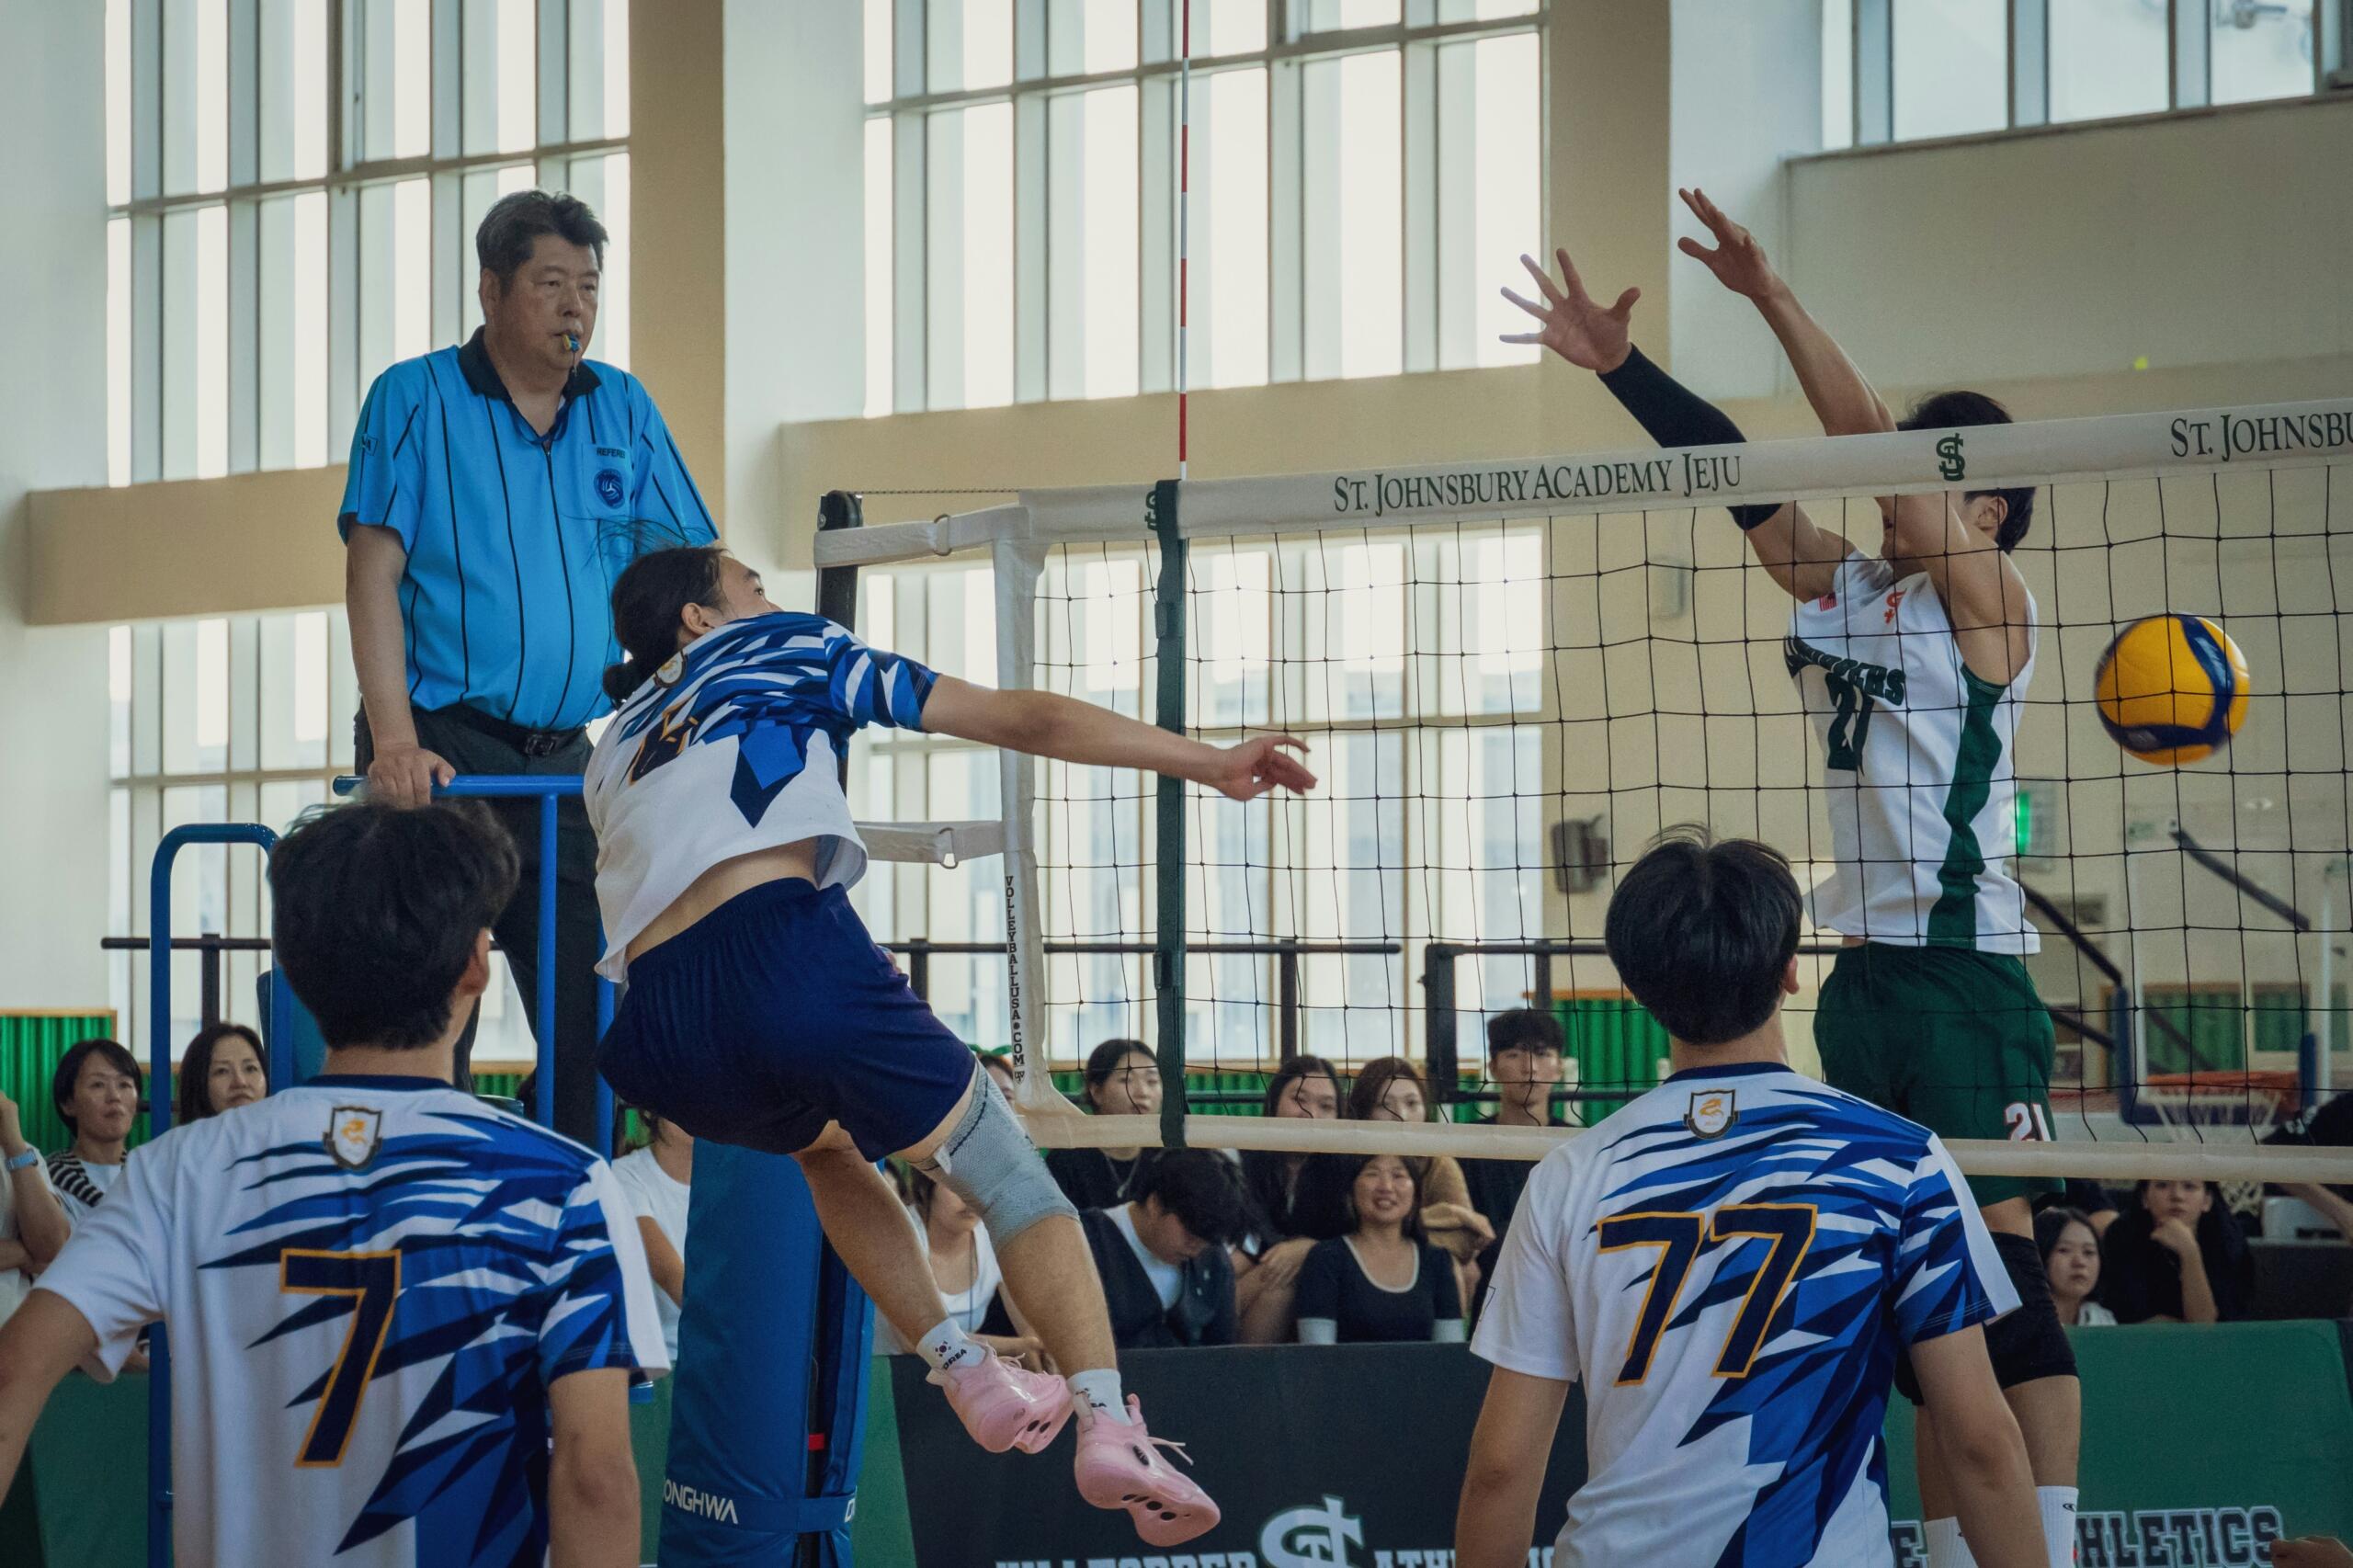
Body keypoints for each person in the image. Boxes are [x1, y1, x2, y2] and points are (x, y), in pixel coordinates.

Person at [1505, 189, 2079, 1568]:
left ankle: (2044, 1542)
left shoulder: (1993, 606)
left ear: (1985, 504)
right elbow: (1742, 476)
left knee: (1991, 1268)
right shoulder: (1850, 593)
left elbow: (1884, 471)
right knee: (1911, 1296)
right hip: (1865, 976)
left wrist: (1771, 296)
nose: (1907, 490)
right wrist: (1622, 370)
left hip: (1964, 971)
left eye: (1940, 474)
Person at [585, 545, 1313, 1547]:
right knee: (1015, 1180)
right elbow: (1026, 717)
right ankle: (1108, 1420)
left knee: (826, 1146)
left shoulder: (611, 739)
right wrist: (1207, 759)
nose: (773, 596)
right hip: (781, 953)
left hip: (657, 1030)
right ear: (702, 620)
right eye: (752, 582)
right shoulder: (786, 644)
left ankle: (960, 1364)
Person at [0, 800, 665, 1568]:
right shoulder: (565, 1185)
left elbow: (17, 1367)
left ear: (290, 968)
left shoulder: (177, 1172)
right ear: (477, 967)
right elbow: (597, 1479)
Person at [1456, 830, 2043, 1568]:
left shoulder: (1572, 1174)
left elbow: (1502, 1468)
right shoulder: (1901, 1159)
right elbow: (1981, 1441)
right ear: (1792, 971)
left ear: (1637, 991)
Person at [340, 187, 715, 1143]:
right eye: (550, 284)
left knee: (597, 1010)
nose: (574, 307)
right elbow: (372, 571)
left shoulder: (620, 407)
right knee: (428, 1011)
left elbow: (680, 580)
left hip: (565, 764)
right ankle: (427, 1187)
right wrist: (392, 740)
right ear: (493, 289)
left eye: (588, 287)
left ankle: (566, 1204)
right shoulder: (414, 397)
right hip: (440, 748)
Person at [1343, 1057, 1492, 1307]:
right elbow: (1340, 1231)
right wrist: (1447, 1214)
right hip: (1354, 1263)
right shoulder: (1343, 1160)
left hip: (1421, 1269)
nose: (1401, 1115)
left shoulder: (1438, 1163)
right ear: (1364, 1111)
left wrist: (1397, 1235)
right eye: (1384, 1105)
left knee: (1461, 1268)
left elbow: (1468, 1238)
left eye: (1412, 1103)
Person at [1455, 1010, 1571, 1311]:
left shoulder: (1578, 1148)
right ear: (1493, 1067)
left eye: (1542, 1054)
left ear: (1559, 1067)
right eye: (1514, 1054)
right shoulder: (1464, 1148)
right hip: (1488, 1302)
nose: (1529, 1067)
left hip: (1563, 1298)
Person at [1077, 1150, 1245, 1350]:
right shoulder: (1087, 1241)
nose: (1195, 1250)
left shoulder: (1214, 1260)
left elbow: (1221, 1352)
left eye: (1206, 1241)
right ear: (1155, 1203)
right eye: (1190, 1233)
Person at [1295, 1154, 1465, 1346]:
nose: (1386, 1187)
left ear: (1416, 1193)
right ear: (1351, 1189)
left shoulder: (1436, 1261)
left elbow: (1449, 1354)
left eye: (1398, 1176)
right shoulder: (1326, 1258)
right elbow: (1317, 1356)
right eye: (1372, 1174)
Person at [1233, 1054, 1345, 1344]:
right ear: (1274, 1104)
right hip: (1250, 1282)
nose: (1310, 1114)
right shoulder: (1241, 1159)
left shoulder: (1349, 1170)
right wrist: (1284, 1251)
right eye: (1299, 1100)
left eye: (1326, 1106)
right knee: (1267, 1280)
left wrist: (1308, 1248)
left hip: (1324, 1289)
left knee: (1280, 1290)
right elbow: (1249, 1236)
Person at [878, 1165, 1040, 1363]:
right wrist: (1015, 1347)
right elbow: (914, 1341)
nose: (970, 1197)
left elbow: (1032, 1328)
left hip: (956, 1375)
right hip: (884, 1374)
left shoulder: (994, 1236)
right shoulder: (899, 1234)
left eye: (981, 1186)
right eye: (955, 1185)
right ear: (925, 1185)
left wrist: (1038, 1347)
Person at [2097, 1179, 2254, 1324]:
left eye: (2189, 1187)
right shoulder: (2121, 1235)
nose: (2177, 1196)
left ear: (2207, 1200)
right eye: (2163, 1185)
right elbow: (2129, 1323)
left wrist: (2190, 1252)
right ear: (2144, 1198)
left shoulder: (2227, 1239)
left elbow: (2205, 1327)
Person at [610, 1106, 692, 1363]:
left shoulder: (730, 1184)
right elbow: (670, 1276)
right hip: (658, 1361)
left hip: (716, 1354)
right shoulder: (624, 1175)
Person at [1045, 1039, 1163, 1210]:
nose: (1143, 1092)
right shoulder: (1066, 1159)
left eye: (1152, 1082)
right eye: (1126, 1080)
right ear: (1096, 1091)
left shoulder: (1170, 1158)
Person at [46, 1038, 144, 1224]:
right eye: (97, 1085)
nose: (114, 1096)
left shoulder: (148, 1175)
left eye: (124, 1085)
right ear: (68, 1103)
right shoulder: (48, 1180)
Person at [0, 1087, 68, 1329]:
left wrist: (14, 1144)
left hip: (12, 1348)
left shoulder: (23, 1153)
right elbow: (45, 1252)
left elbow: (53, 1247)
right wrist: (27, 1251)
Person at [173, 1021, 268, 1126]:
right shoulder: (180, 1142)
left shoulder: (284, 1137)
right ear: (198, 1083)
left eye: (250, 1068)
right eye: (222, 1071)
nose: (240, 1082)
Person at [2033, 1208, 2114, 1328]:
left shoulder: (2102, 1320)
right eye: (2064, 1250)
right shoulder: (2024, 1323)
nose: (2079, 1262)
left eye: (2088, 1252)